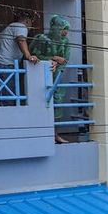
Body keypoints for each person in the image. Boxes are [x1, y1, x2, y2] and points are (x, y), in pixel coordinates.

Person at [31, 15, 71, 143]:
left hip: (56, 78)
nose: (65, 32)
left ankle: (55, 134)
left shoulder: (65, 42)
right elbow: (34, 56)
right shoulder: (42, 39)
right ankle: (41, 134)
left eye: (66, 29)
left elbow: (65, 60)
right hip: (38, 78)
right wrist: (52, 59)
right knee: (40, 103)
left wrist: (57, 63)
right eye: (63, 29)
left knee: (57, 104)